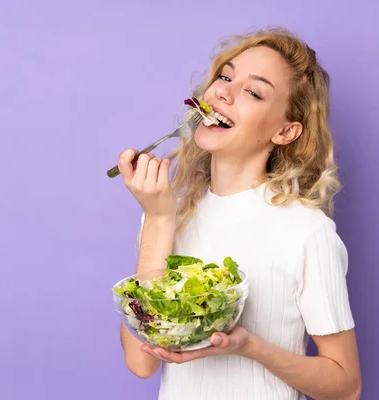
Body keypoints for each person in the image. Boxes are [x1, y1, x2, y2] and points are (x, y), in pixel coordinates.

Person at [117, 27, 362, 400]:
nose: (223, 91)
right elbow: (141, 363)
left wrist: (249, 346)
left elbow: (346, 386)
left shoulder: (306, 231)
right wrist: (157, 221)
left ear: (285, 131)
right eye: (225, 76)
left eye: (253, 91)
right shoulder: (168, 211)